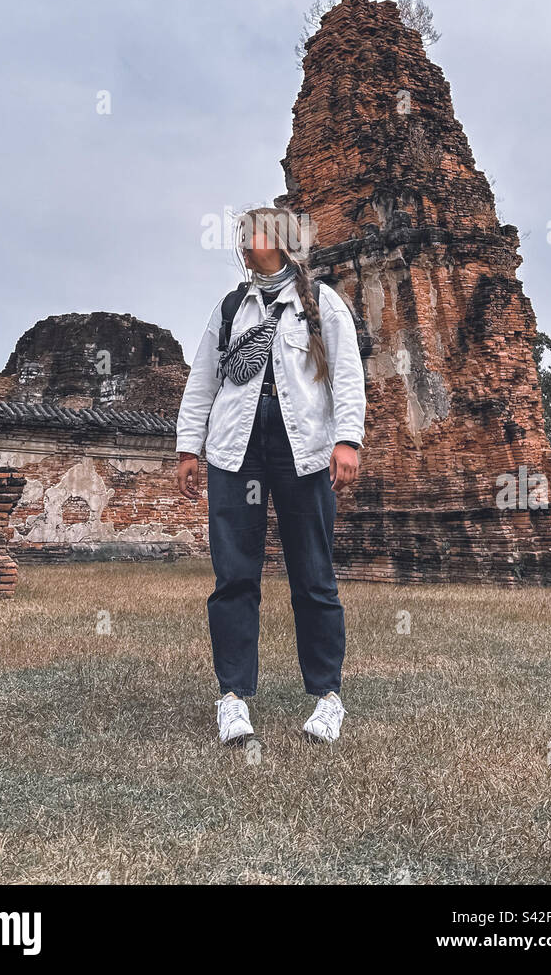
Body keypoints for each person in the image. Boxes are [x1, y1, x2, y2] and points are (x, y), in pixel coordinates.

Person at [176, 206, 367, 745]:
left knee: (314, 576)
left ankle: (327, 696)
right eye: (240, 235)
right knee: (235, 577)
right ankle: (233, 697)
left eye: (251, 233)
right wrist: (190, 448)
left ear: (281, 241)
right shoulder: (232, 307)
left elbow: (348, 378)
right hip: (237, 452)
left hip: (301, 449)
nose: (242, 242)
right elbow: (203, 380)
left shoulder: (322, 303)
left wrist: (347, 440)